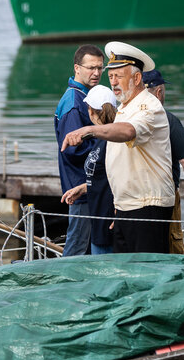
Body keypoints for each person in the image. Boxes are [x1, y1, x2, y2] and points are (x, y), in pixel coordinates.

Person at [61, 42, 175, 254]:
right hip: (125, 207)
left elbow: (129, 132)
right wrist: (89, 189)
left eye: (118, 77)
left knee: (145, 272)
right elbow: (122, 165)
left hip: (147, 207)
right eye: (110, 76)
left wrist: (89, 130)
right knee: (124, 274)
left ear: (137, 78)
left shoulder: (149, 107)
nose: (113, 83)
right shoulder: (123, 108)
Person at [143, 69, 184, 254]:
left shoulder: (127, 118)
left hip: (134, 197)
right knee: (171, 243)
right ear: (159, 92)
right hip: (164, 195)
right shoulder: (168, 120)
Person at [54, 44, 105, 256]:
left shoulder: (85, 96)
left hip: (87, 183)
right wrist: (105, 149)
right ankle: (64, 285)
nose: (96, 73)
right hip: (80, 184)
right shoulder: (74, 102)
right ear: (77, 68)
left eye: (100, 68)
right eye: (91, 67)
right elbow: (74, 151)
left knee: (85, 241)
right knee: (77, 244)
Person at [61, 85, 116, 255]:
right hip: (98, 220)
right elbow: (104, 176)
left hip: (110, 222)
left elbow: (122, 177)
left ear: (91, 112)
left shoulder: (113, 141)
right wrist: (84, 188)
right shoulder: (100, 138)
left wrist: (118, 211)